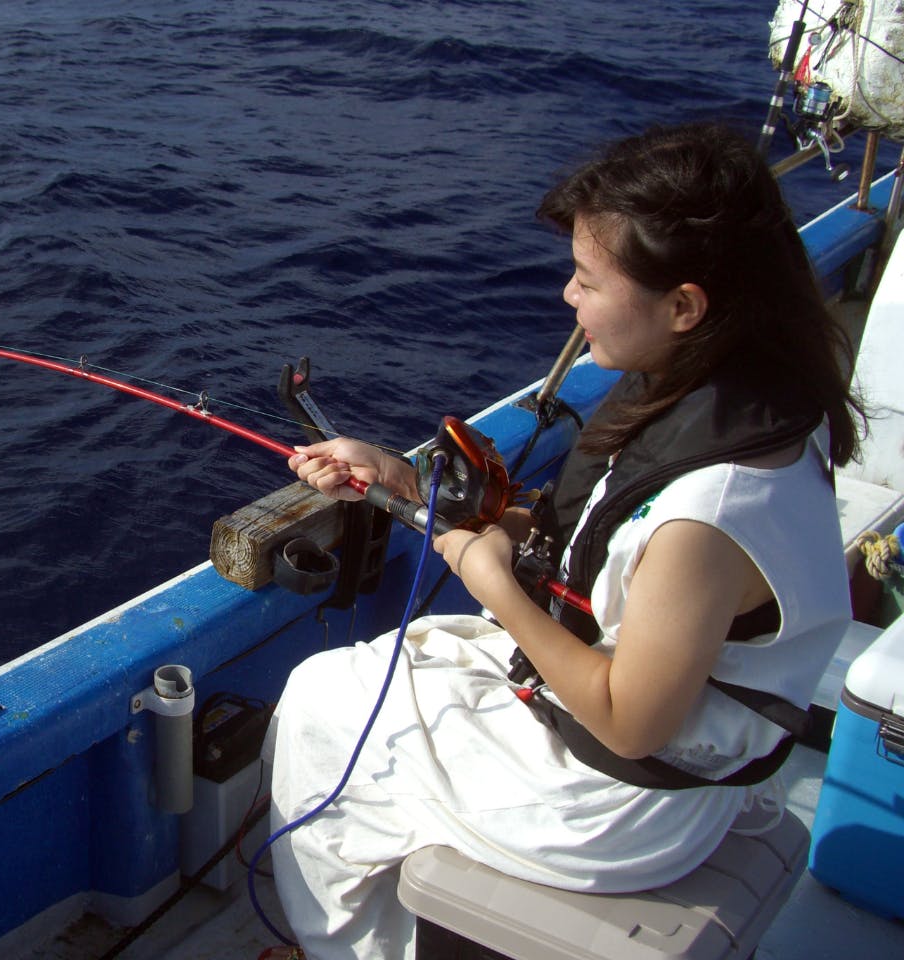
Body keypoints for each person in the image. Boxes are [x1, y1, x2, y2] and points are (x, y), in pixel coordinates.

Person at [267, 122, 863, 960]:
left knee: (321, 705)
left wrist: (494, 583)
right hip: (679, 757)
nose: (567, 300)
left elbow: (629, 721)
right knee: (392, 670)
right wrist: (404, 482)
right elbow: (604, 543)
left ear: (685, 305)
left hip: (629, 804)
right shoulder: (745, 400)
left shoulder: (710, 515)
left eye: (587, 279)